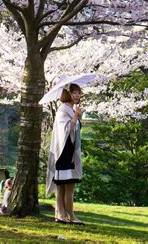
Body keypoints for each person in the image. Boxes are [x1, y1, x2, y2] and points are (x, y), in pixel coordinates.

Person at [45, 83, 85, 225]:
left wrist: (76, 115)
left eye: (79, 93)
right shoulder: (63, 110)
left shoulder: (70, 109)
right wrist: (75, 115)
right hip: (63, 153)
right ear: (67, 93)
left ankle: (61, 215)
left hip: (69, 151)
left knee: (64, 188)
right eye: (74, 92)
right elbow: (66, 130)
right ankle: (70, 216)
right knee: (66, 187)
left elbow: (74, 129)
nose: (77, 95)